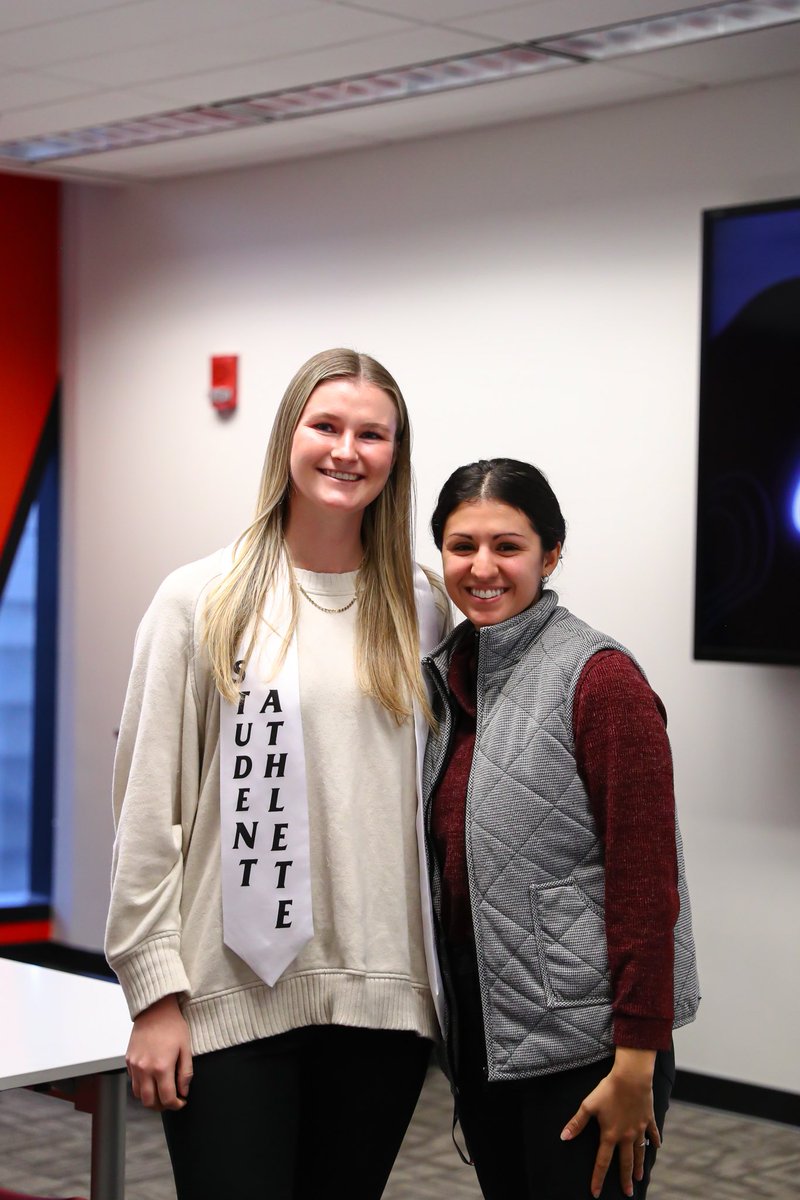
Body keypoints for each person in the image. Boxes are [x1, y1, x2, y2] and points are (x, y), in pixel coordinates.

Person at [105, 348, 450, 1200]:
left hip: (383, 1002)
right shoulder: (201, 600)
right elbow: (150, 808)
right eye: (326, 425)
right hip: (228, 1001)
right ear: (287, 436)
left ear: (396, 456)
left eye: (372, 434)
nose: (347, 449)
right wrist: (152, 996)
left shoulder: (425, 606)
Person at [422, 458, 700, 1200]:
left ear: (550, 555)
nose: (482, 567)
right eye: (461, 545)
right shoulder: (447, 673)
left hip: (591, 1047)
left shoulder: (600, 677)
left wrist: (638, 1057)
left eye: (507, 546)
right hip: (485, 1023)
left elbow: (647, 880)